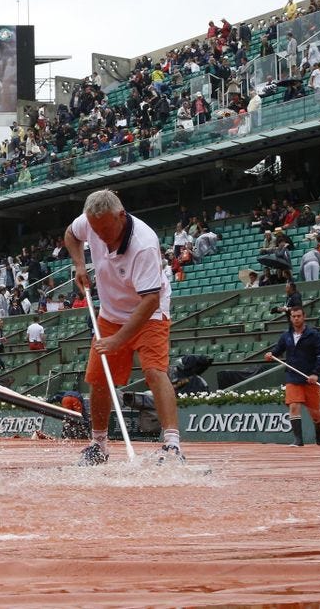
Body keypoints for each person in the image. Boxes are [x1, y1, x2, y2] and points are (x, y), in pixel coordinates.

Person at [63, 189, 183, 465]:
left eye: (105, 229)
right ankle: (99, 444)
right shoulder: (91, 223)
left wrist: (118, 340)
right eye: (95, 230)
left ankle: (172, 446)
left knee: (155, 370)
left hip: (149, 312)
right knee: (99, 377)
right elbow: (71, 236)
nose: (101, 237)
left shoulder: (144, 244)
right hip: (109, 312)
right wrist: (80, 265)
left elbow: (150, 300)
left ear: (120, 215)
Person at [265, 306, 320, 447]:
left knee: (315, 413)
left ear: (304, 316)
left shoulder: (314, 334)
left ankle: (319, 428)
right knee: (293, 406)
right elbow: (278, 350)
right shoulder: (286, 335)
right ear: (290, 317)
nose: (296, 319)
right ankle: (298, 440)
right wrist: (271, 354)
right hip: (292, 376)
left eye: (298, 316)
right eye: (293, 316)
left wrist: (315, 374)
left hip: (309, 378)